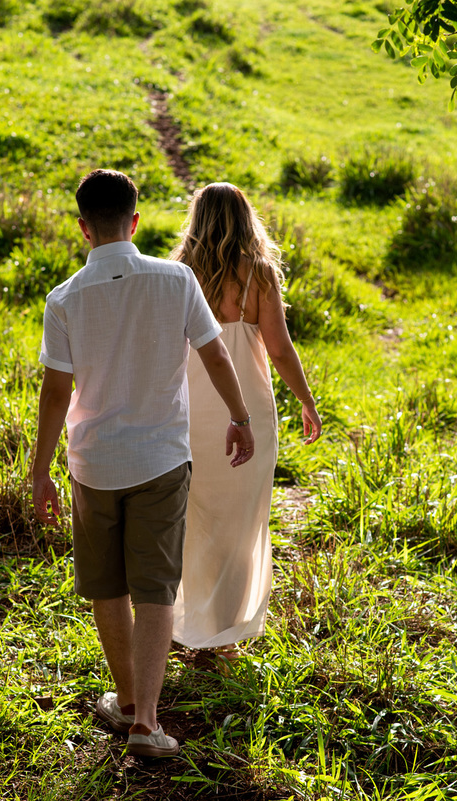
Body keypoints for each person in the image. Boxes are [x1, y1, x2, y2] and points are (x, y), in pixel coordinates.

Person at [29, 170, 255, 758]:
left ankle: (127, 701)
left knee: (107, 585)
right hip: (160, 460)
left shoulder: (64, 298)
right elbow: (215, 355)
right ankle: (146, 724)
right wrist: (240, 416)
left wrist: (39, 471)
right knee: (155, 588)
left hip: (93, 464)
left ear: (84, 228)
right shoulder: (176, 279)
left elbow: (55, 393)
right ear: (135, 221)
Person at [169, 182, 322, 661]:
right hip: (246, 411)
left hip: (191, 409)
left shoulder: (179, 273)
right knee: (239, 523)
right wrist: (307, 399)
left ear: (197, 219)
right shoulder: (258, 273)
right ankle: (224, 635)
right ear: (245, 218)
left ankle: (184, 621)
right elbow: (279, 349)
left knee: (192, 518)